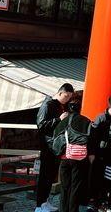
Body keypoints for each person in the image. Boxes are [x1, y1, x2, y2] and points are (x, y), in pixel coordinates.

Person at [36, 83, 74, 212]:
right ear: (60, 93)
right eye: (66, 96)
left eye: (69, 97)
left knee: (51, 176)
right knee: (44, 176)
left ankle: (45, 202)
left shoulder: (60, 106)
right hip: (47, 145)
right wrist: (58, 119)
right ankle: (39, 205)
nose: (68, 99)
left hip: (56, 146)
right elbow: (41, 125)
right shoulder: (47, 105)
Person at [54, 100, 93, 212]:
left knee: (65, 187)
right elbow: (91, 139)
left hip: (65, 157)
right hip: (80, 158)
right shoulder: (86, 121)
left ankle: (63, 209)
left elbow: (56, 136)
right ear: (80, 108)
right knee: (76, 187)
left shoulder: (65, 121)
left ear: (69, 109)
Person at [89, 94, 111, 212]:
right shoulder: (101, 118)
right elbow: (93, 137)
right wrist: (92, 153)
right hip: (100, 154)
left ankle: (104, 201)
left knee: (108, 179)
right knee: (97, 178)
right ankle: (95, 202)